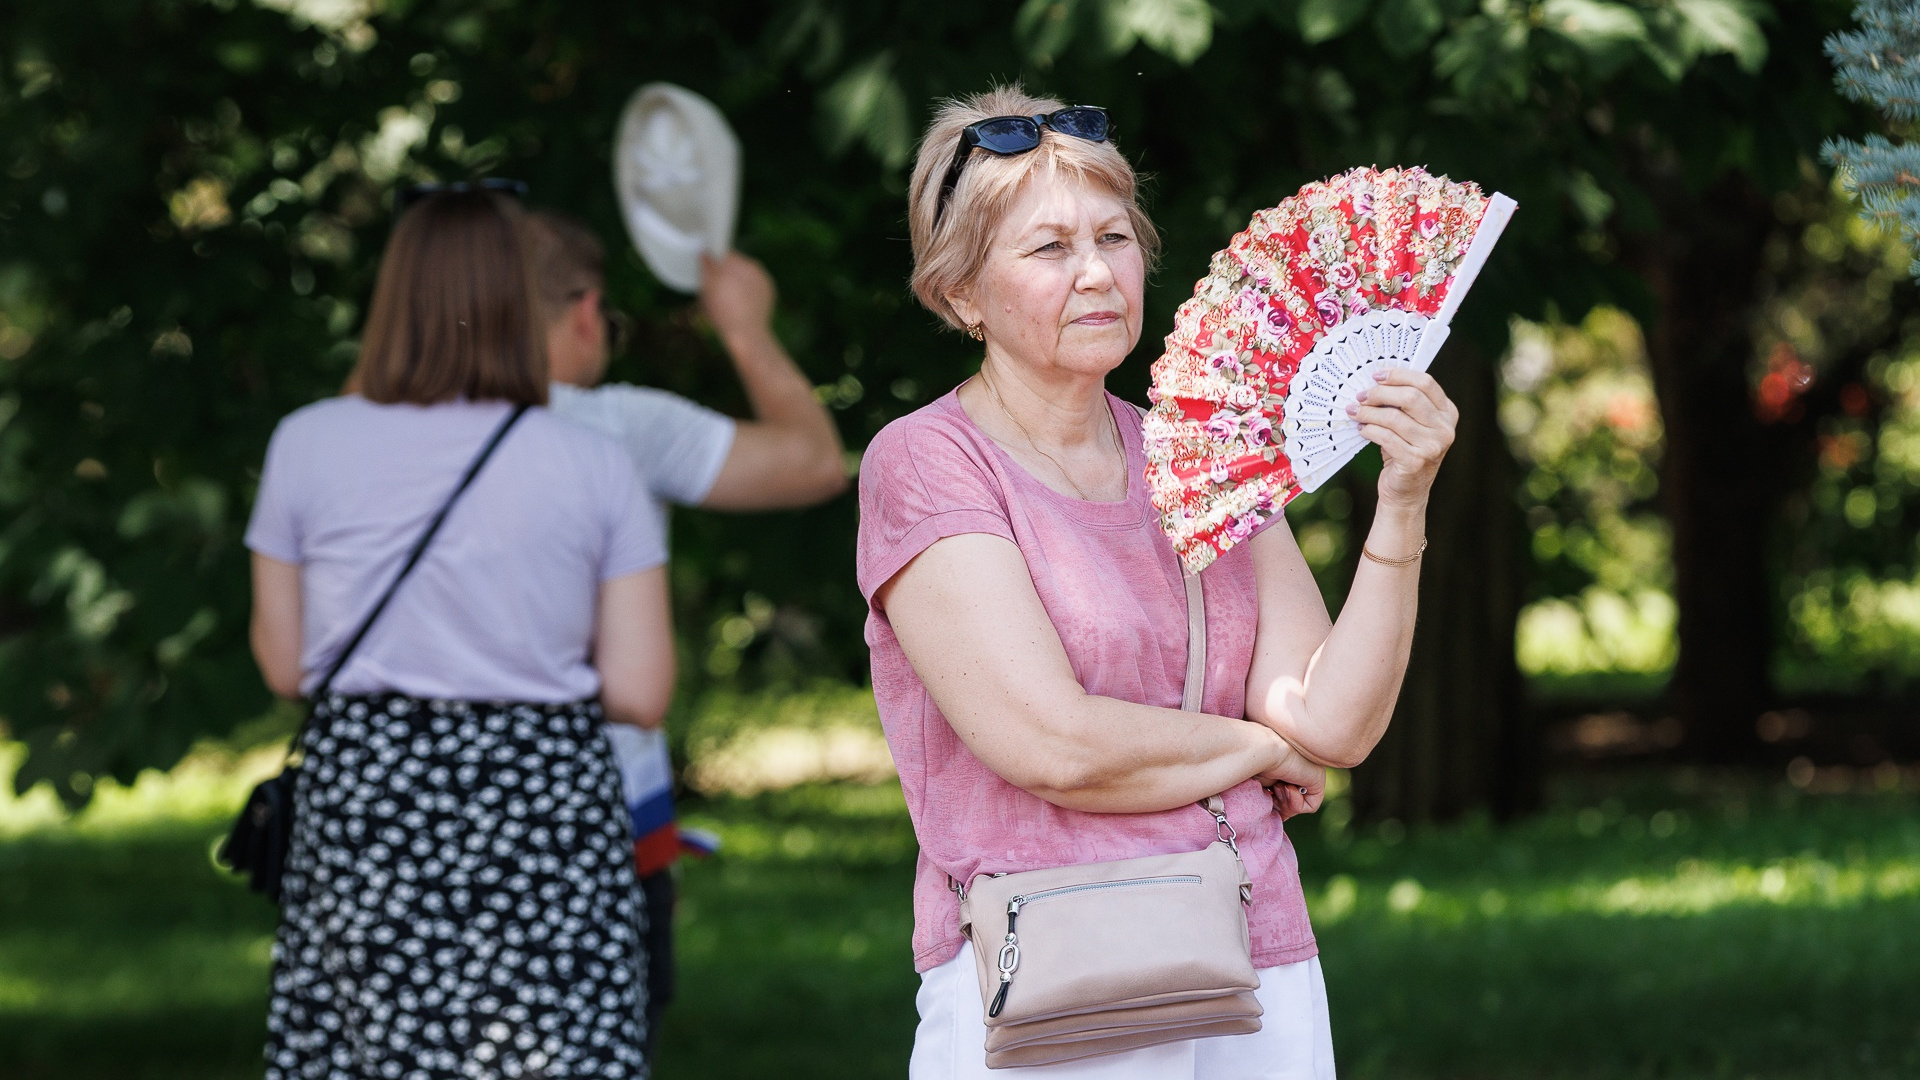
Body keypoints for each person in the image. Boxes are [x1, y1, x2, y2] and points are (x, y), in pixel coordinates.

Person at [856, 86, 1461, 1078]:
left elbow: (1335, 723)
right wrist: (1263, 747)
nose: (1097, 273)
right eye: (1048, 249)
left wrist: (1403, 501)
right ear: (962, 294)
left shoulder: (1199, 447)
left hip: (1252, 961)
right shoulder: (926, 464)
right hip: (1047, 981)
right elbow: (1054, 742)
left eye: (1115, 237)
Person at [247, 189, 670, 1080]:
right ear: (524, 304)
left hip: (371, 799)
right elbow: (641, 691)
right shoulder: (594, 463)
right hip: (543, 801)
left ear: (394, 298)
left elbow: (286, 666)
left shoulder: (306, 443)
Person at [523, 208, 847, 1061]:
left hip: (409, 822)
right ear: (586, 312)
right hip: (602, 825)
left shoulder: (366, 437)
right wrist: (744, 327)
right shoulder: (615, 429)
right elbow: (814, 460)